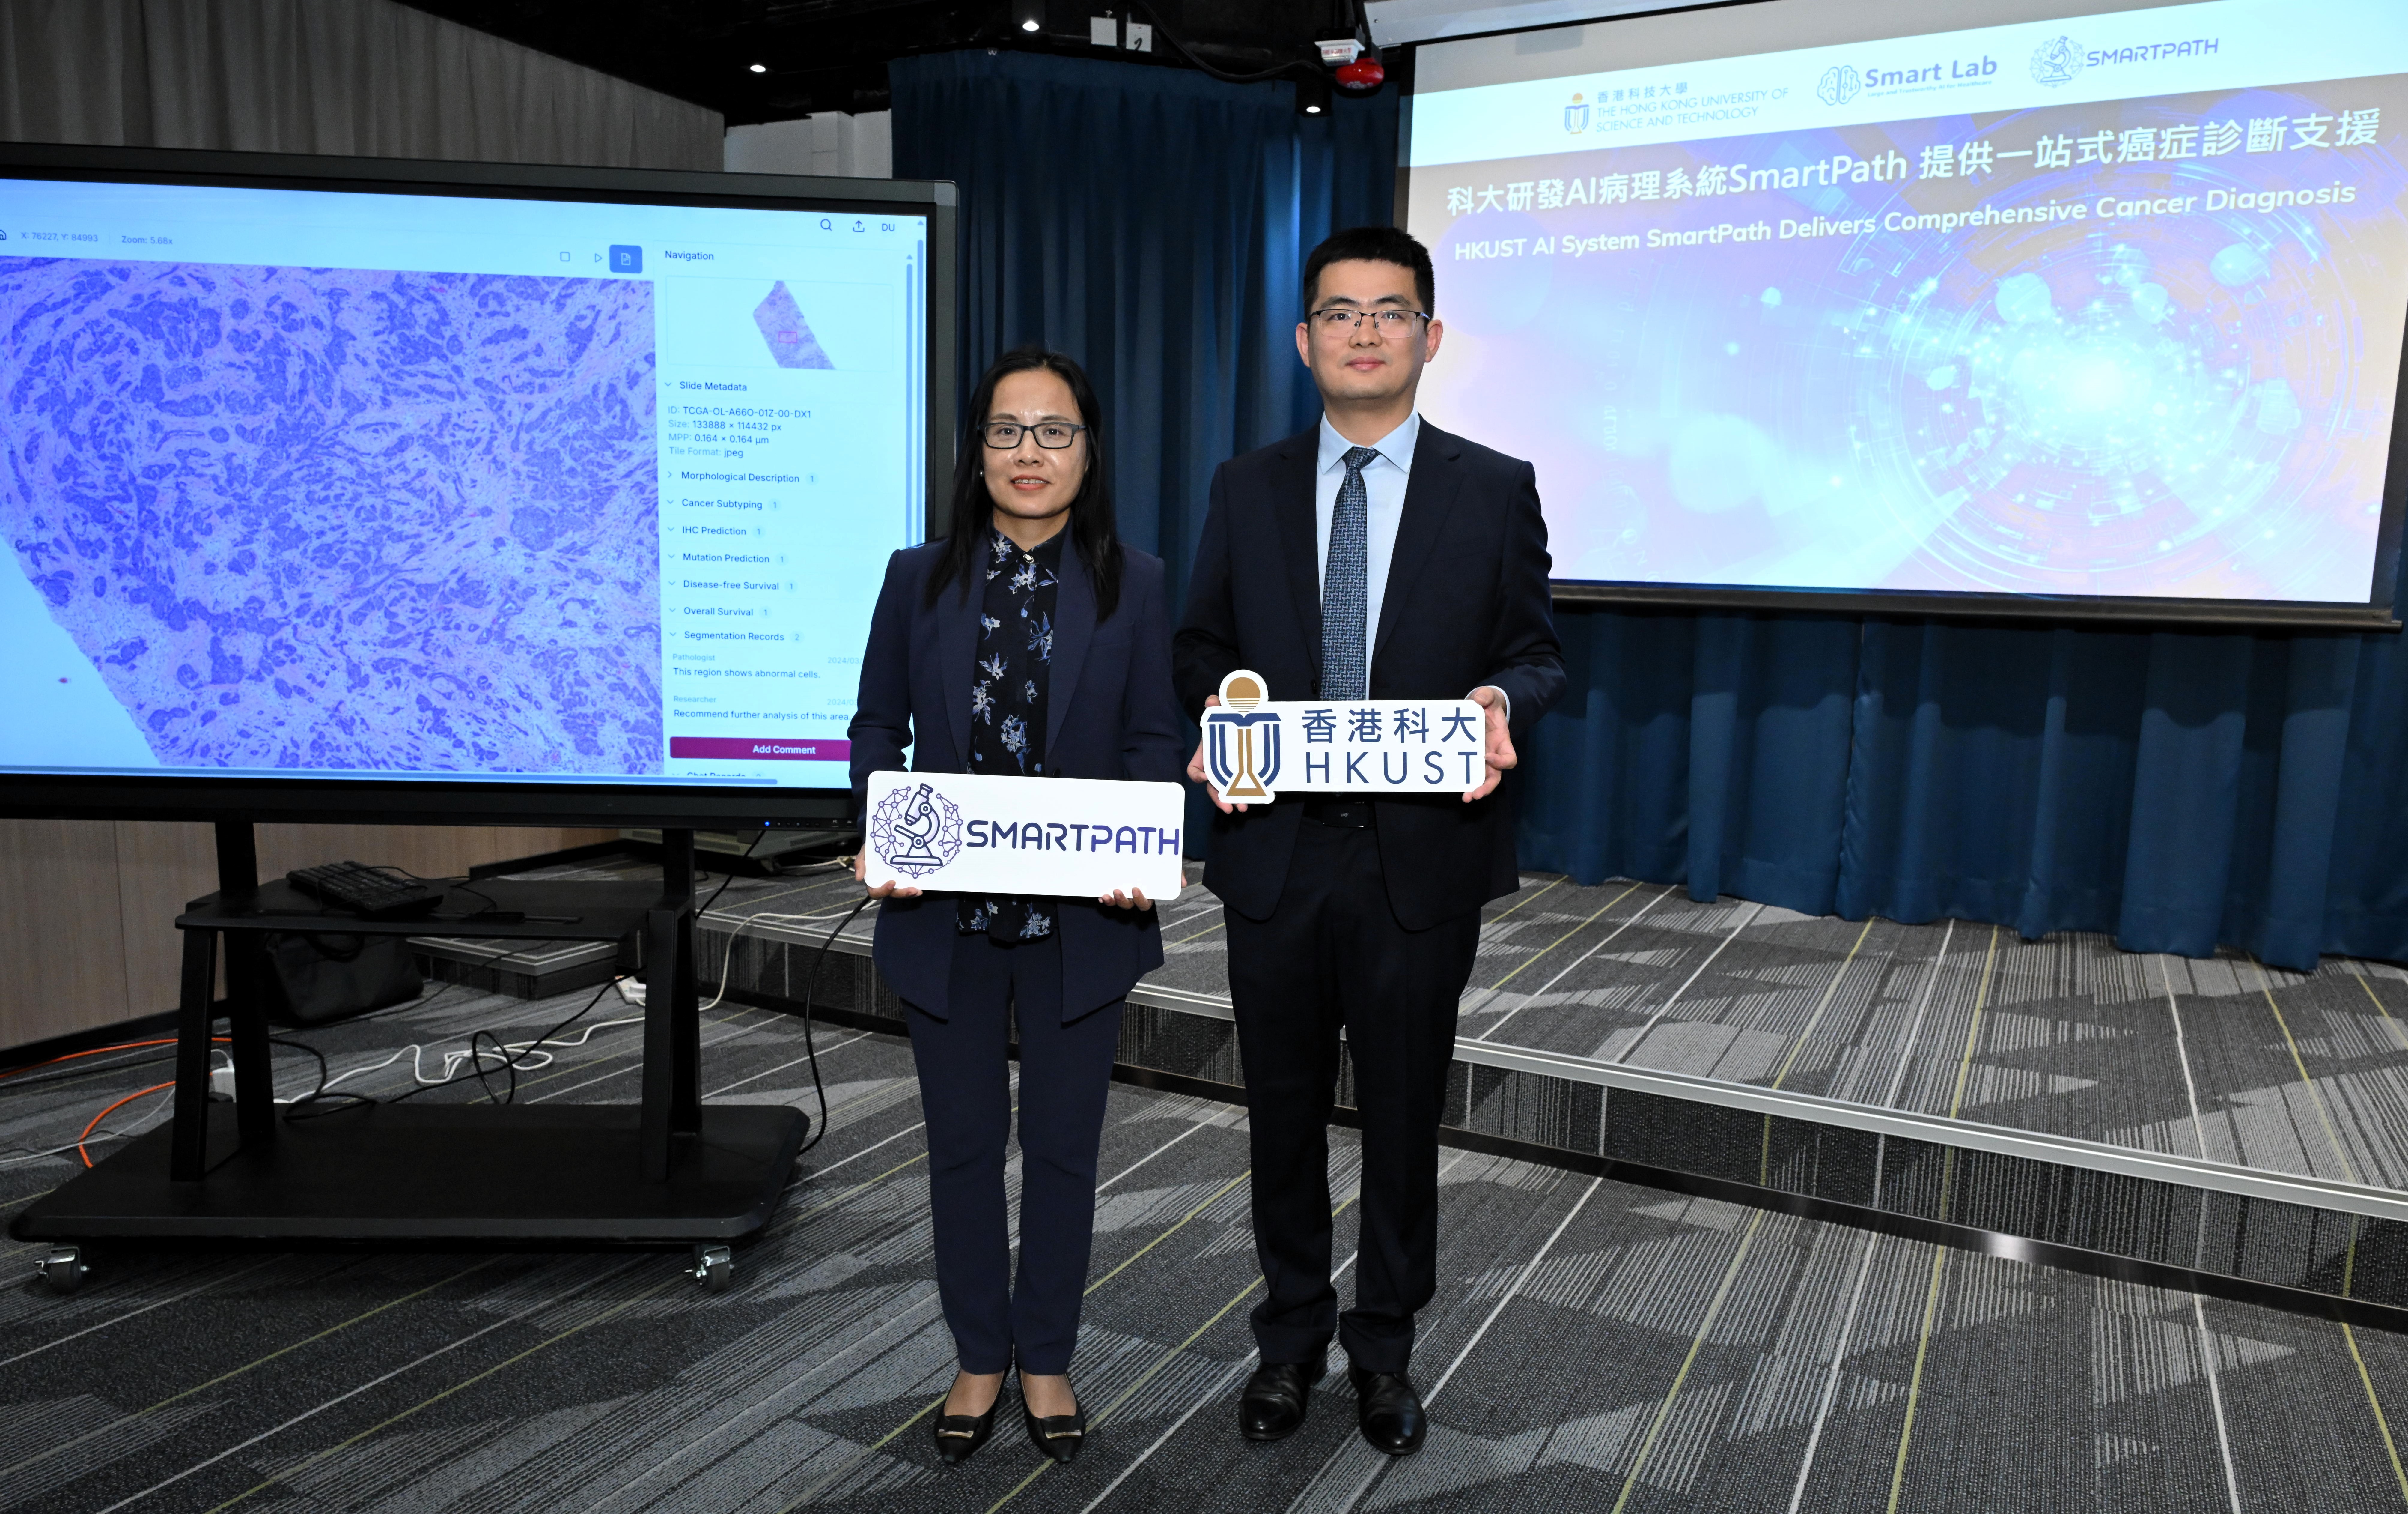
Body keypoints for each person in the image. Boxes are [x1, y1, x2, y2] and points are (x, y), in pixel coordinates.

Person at [1172, 226, 1565, 1456]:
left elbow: (1534, 652)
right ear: (1304, 342)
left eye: (1387, 312)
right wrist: (1212, 723)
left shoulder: (1492, 487)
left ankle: (1383, 1352)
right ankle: (1288, 1341)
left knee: (1402, 1122)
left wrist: (1497, 708)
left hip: (1416, 866)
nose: (1361, 331)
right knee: (1278, 1114)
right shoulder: (1244, 485)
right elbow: (1198, 647)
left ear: (1427, 337)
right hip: (1274, 859)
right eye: (1337, 313)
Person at [849, 346, 1184, 1466]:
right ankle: (976, 1353)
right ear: (975, 450)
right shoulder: (919, 575)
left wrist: (1148, 843)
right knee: (958, 1146)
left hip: (1078, 924)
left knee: (1062, 1149)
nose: (1028, 453)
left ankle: (1046, 1355)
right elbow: (874, 731)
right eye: (1006, 431)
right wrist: (876, 832)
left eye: (1054, 431)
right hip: (942, 920)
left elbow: (1149, 742)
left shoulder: (1136, 581)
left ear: (1089, 451)